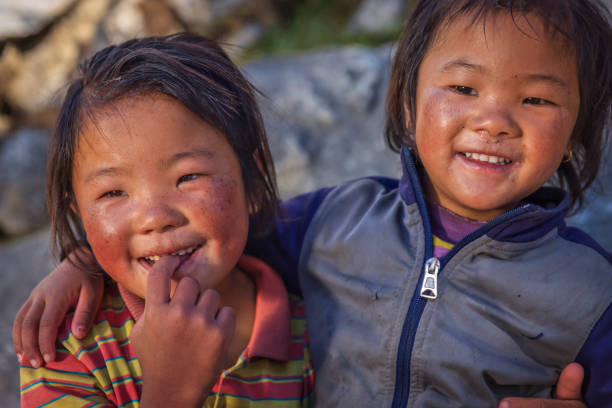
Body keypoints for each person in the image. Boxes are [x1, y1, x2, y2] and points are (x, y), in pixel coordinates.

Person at [13, 0, 612, 406]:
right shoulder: (333, 223)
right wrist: (84, 257)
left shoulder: (590, 292)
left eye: (536, 100)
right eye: (462, 88)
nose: (494, 121)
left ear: (578, 125)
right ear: (406, 100)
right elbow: (211, 233)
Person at [18, 33, 314, 407]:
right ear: (77, 210)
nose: (155, 218)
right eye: (113, 193)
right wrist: (171, 393)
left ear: (252, 183)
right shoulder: (67, 345)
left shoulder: (309, 332)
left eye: (188, 177)